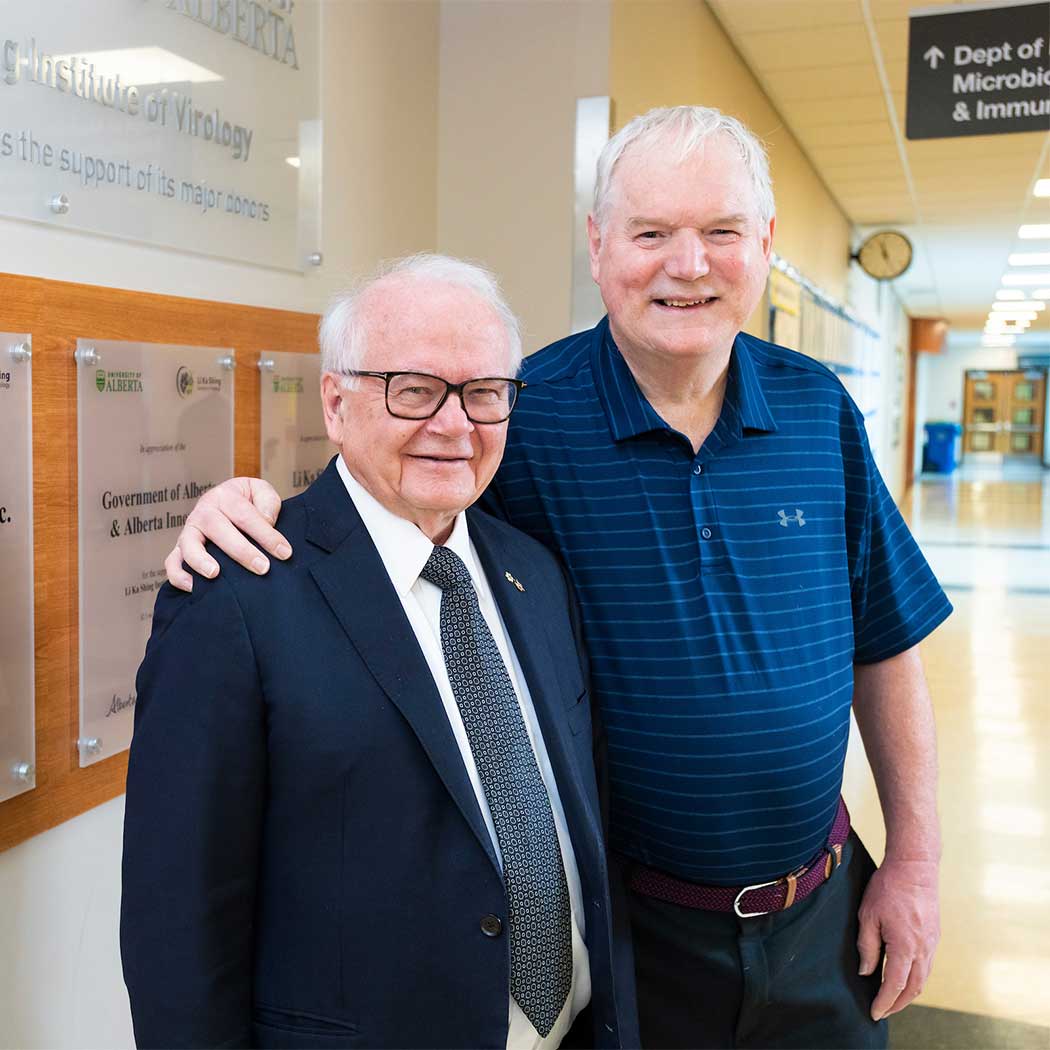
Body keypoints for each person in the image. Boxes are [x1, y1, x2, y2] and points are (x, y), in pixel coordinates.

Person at [164, 107, 951, 1049]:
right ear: (598, 244)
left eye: (721, 232)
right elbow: (390, 501)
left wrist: (916, 857)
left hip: (822, 918)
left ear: (766, 245)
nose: (687, 265)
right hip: (635, 942)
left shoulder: (821, 409)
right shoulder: (524, 421)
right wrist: (248, 506)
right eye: (651, 232)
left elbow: (886, 643)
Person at [120, 255, 634, 1050]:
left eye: (484, 394)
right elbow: (178, 924)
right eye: (415, 389)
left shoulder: (532, 572)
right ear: (336, 401)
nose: (455, 425)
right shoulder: (237, 596)